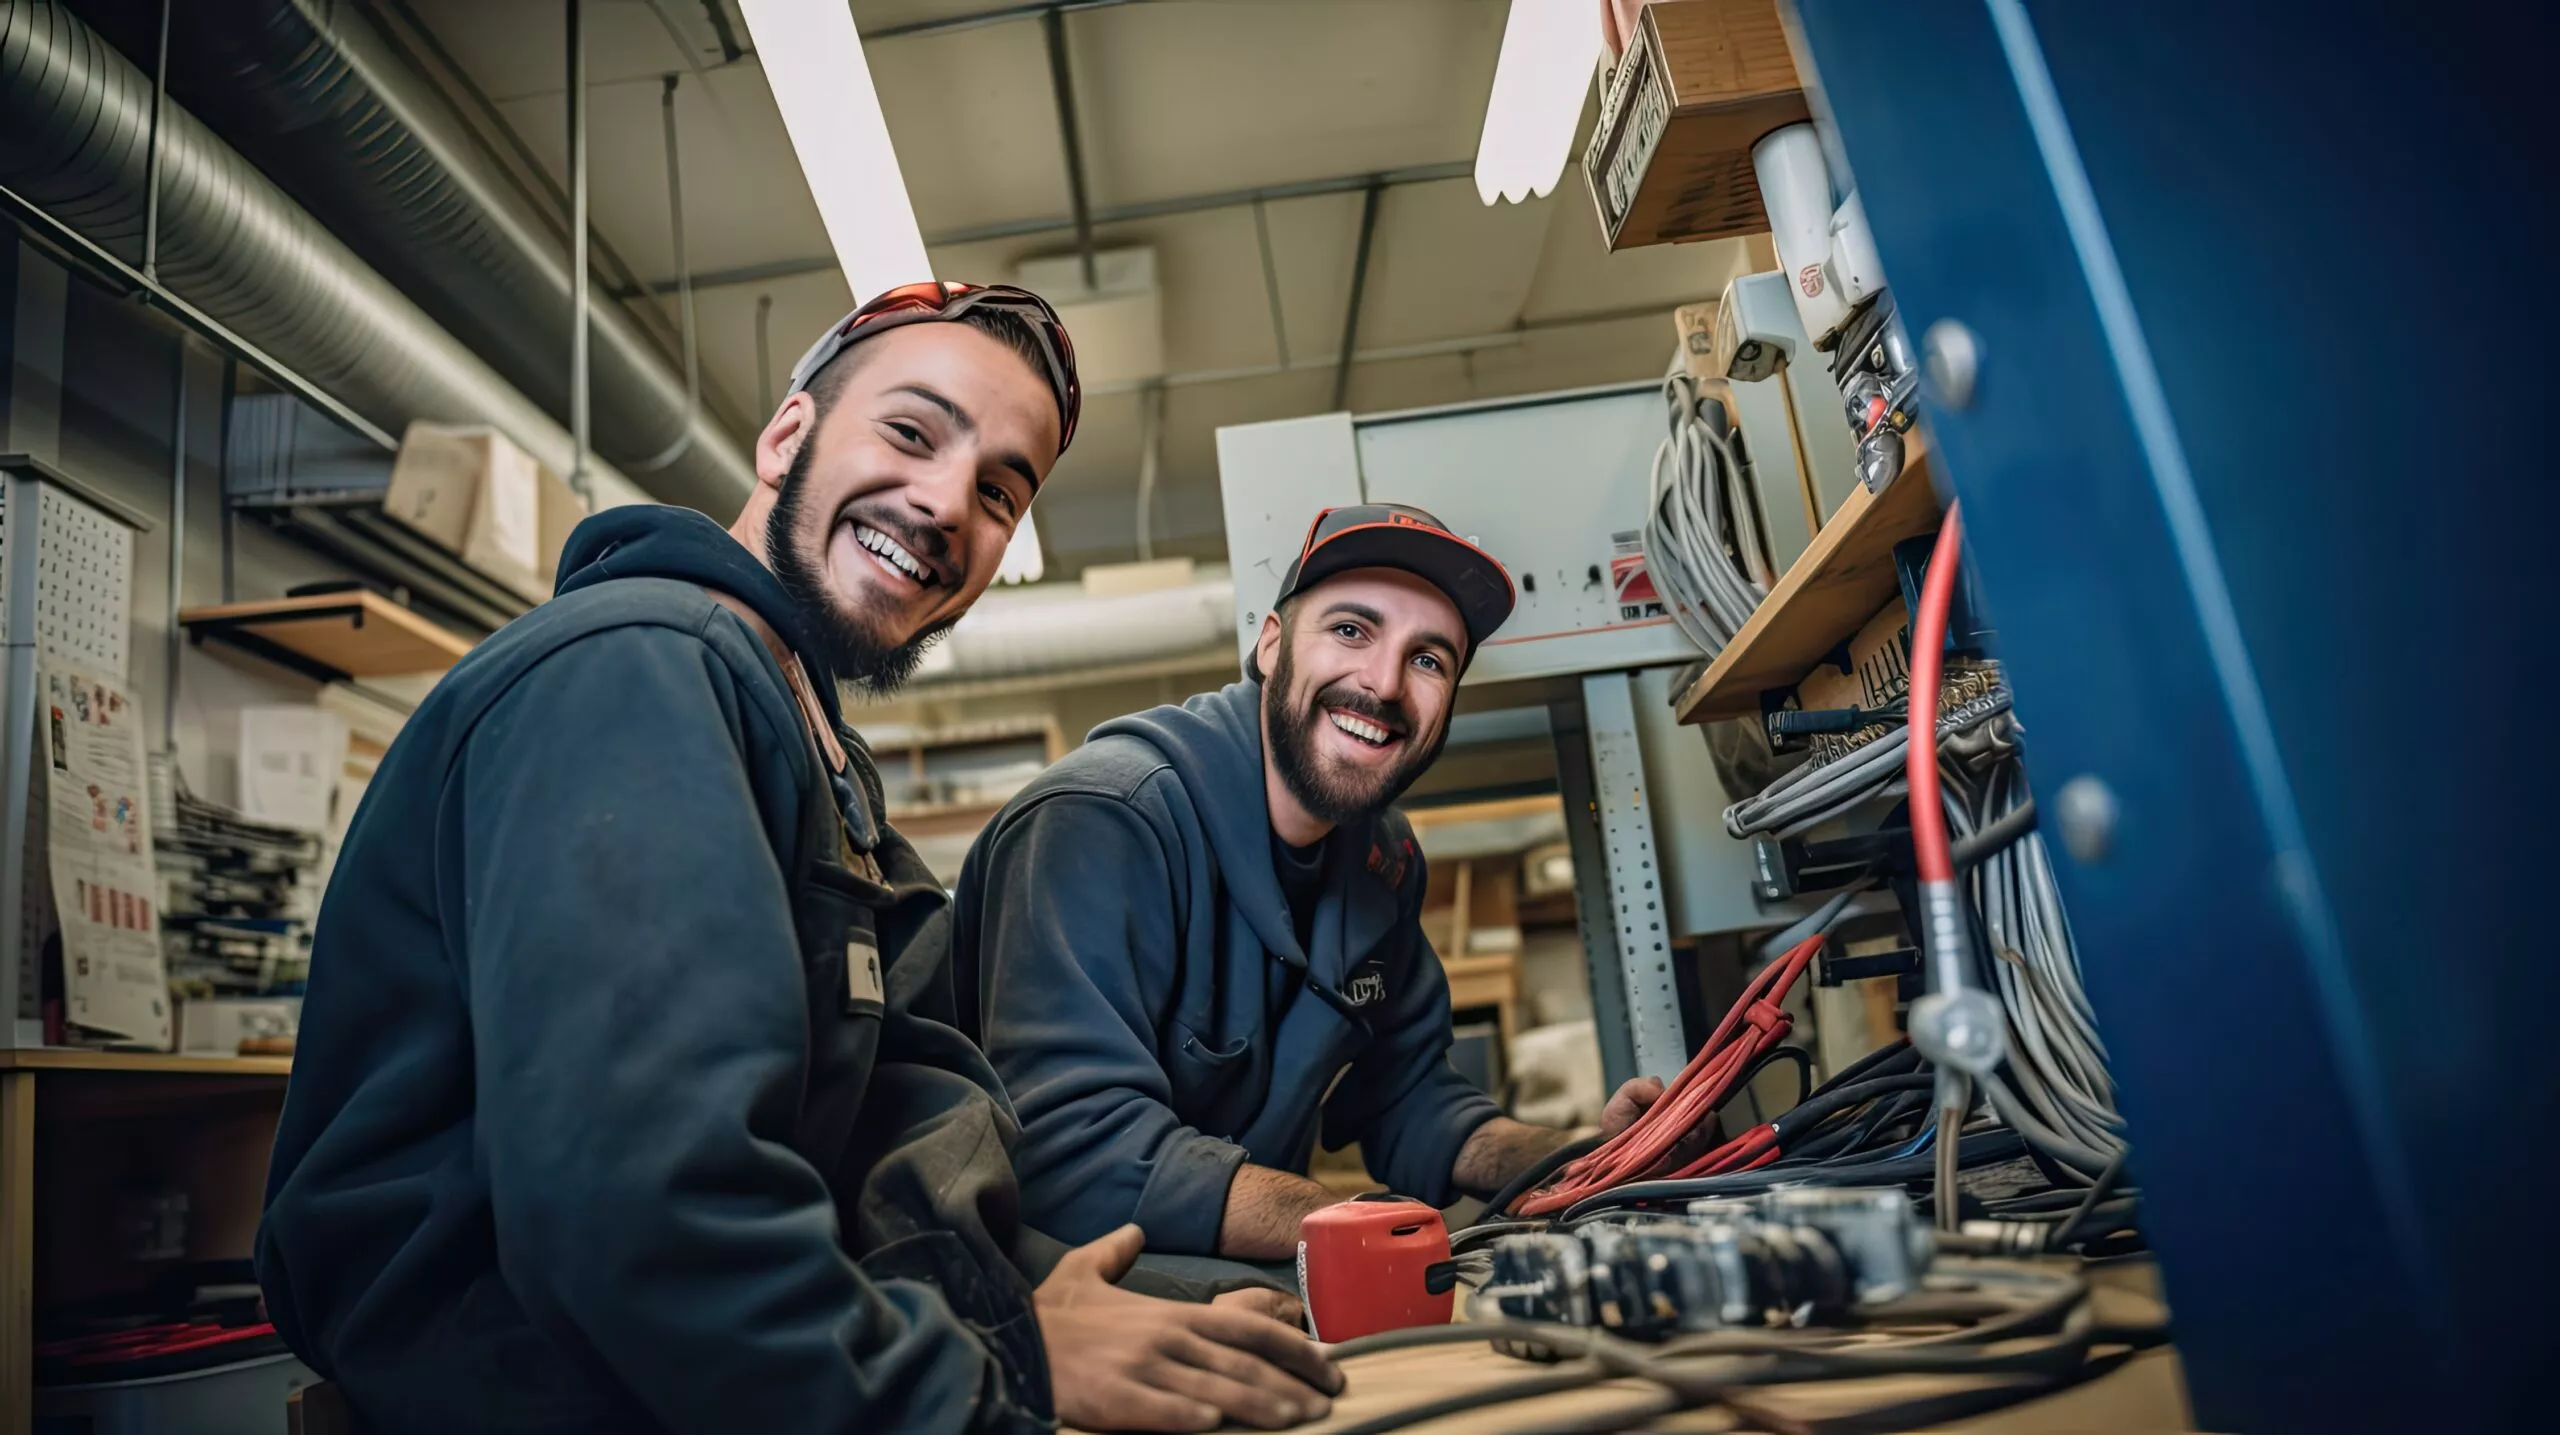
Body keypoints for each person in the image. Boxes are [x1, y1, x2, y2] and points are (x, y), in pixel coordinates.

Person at [257, 282, 1339, 1435]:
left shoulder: (816, 752)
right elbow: (647, 1220)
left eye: (997, 493)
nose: (942, 504)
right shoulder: (640, 671)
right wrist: (994, 1382)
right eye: (911, 432)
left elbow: (906, 1123)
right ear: (786, 436)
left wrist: (1019, 1300)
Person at [948, 505, 1666, 1263]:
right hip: (1052, 1294)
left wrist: (1581, 1160)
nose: (1384, 683)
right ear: (1270, 643)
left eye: (1429, 659)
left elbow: (1406, 1096)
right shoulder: (1102, 820)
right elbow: (1069, 1156)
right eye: (1352, 630)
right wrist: (1353, 1219)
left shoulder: (1380, 860)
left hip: (1227, 1278)